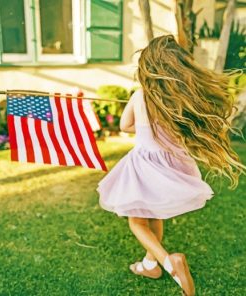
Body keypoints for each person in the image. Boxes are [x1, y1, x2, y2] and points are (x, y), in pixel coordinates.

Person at [96, 34, 246, 296]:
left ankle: (168, 262)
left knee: (137, 223)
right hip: (174, 165)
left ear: (148, 68)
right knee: (156, 215)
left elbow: (124, 126)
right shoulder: (179, 99)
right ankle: (150, 264)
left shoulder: (140, 96)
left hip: (145, 164)